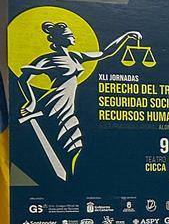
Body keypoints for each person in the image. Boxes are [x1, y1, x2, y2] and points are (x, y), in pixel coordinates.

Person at [16, 22, 141, 179]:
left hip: (68, 106)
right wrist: (31, 102)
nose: (73, 37)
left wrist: (125, 37)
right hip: (54, 104)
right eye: (69, 35)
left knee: (74, 144)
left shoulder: (76, 56)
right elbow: (23, 78)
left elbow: (105, 53)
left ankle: (71, 179)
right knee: (65, 144)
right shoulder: (48, 59)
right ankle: (63, 181)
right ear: (58, 39)